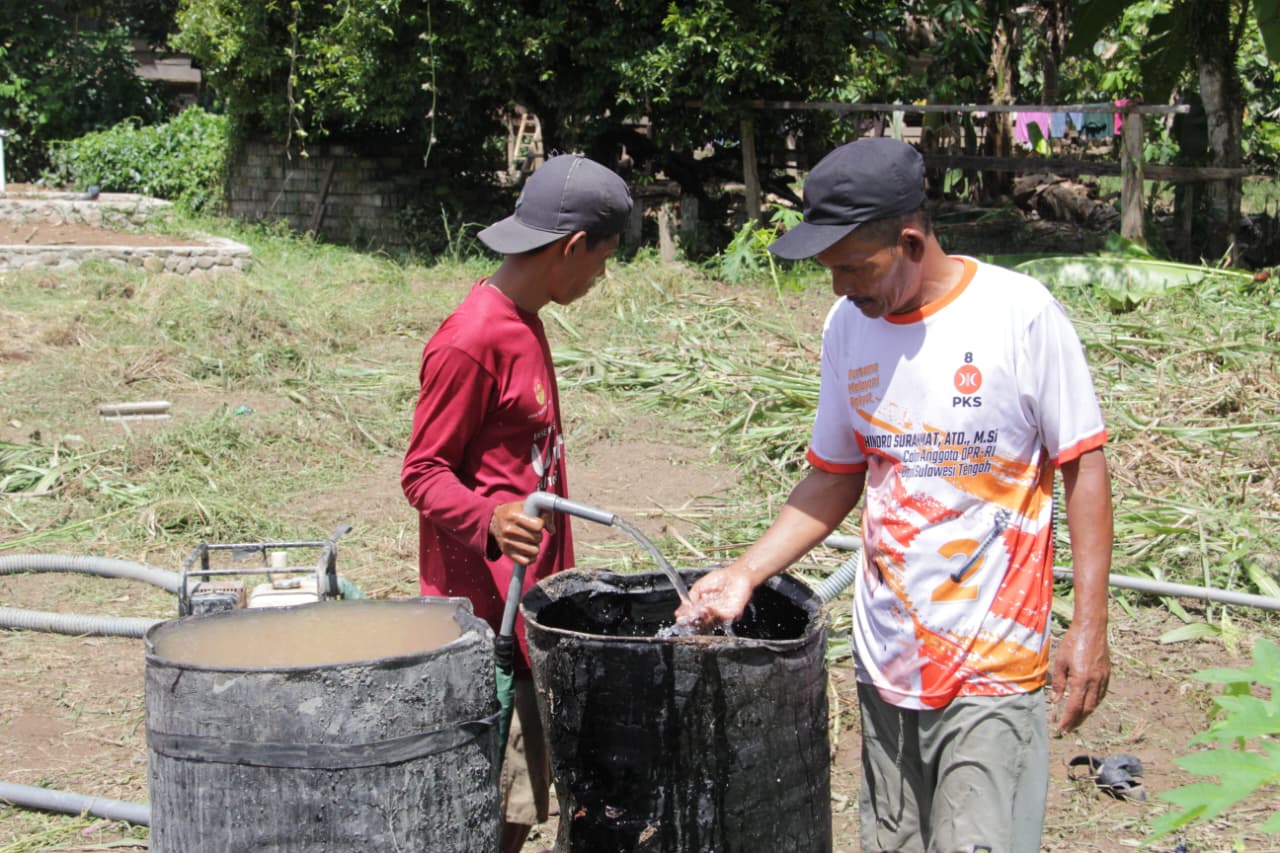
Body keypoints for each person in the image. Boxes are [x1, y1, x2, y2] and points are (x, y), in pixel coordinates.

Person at [678, 137, 1112, 853]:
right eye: (830, 269)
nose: (839, 287)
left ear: (910, 241)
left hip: (991, 666)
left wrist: (1089, 624)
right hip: (885, 661)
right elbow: (835, 474)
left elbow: (1083, 465)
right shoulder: (849, 327)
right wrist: (745, 572)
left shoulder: (1019, 314)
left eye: (854, 266)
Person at [401, 153, 632, 853]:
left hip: (529, 608)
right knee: (491, 803)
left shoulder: (526, 318)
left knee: (523, 796)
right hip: (486, 620)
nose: (600, 277)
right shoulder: (472, 339)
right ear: (572, 246)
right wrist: (490, 520)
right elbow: (422, 472)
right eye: (603, 259)